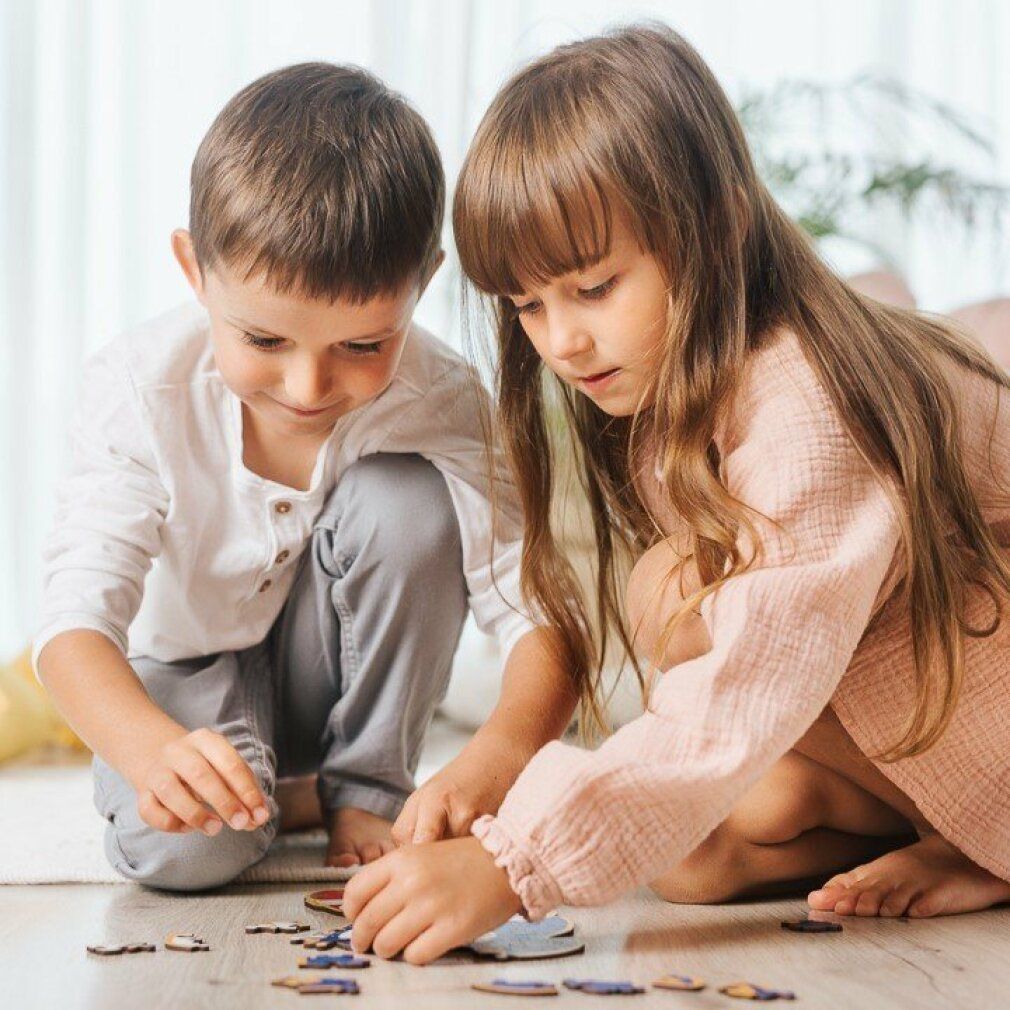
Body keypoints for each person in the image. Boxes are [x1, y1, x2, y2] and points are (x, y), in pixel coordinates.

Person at [341, 24, 1010, 964]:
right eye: (530, 306)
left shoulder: (808, 405)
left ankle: (988, 838)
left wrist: (513, 862)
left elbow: (748, 682)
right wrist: (509, 765)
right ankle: (903, 812)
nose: (562, 341)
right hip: (930, 659)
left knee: (692, 625)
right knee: (692, 843)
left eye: (594, 286)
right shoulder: (689, 377)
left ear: (719, 224)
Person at [35, 63, 575, 890]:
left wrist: (501, 754)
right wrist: (150, 750)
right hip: (180, 670)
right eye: (263, 341)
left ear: (420, 286)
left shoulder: (444, 398)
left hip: (328, 676)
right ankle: (283, 796)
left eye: (363, 345)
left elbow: (534, 606)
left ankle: (360, 789)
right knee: (187, 853)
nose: (308, 388)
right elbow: (73, 625)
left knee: (410, 505)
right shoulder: (138, 389)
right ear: (195, 272)